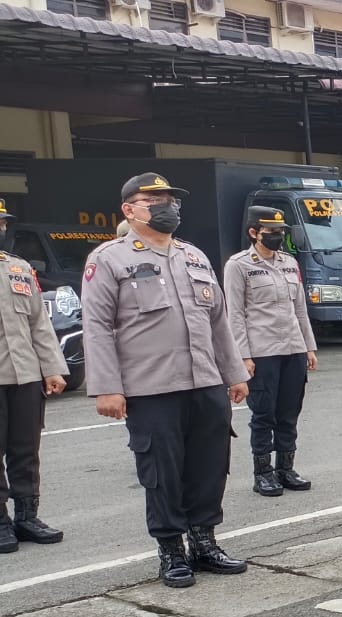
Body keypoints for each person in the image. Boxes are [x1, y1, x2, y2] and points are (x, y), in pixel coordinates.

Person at [82, 172, 250, 587]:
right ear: (129, 209)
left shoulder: (193, 256)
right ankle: (172, 551)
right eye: (154, 199)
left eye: (171, 199)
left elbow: (218, 322)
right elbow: (98, 326)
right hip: (151, 388)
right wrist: (107, 386)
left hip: (205, 382)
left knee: (210, 467)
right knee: (163, 472)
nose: (167, 206)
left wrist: (232, 372)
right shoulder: (108, 259)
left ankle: (205, 542)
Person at [224, 206, 317, 498]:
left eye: (280, 232)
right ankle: (262, 472)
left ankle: (285, 469)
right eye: (271, 232)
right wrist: (243, 356)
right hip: (261, 351)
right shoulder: (238, 265)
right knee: (264, 415)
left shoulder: (289, 263)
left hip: (293, 348)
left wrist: (309, 347)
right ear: (254, 233)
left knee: (290, 412)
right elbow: (235, 314)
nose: (277, 236)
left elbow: (299, 308)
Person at [0, 202, 70, 552]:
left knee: (25, 449)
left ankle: (27, 516)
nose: (0, 228)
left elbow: (39, 324)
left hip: (24, 375)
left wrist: (52, 367)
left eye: (1, 223)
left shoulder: (19, 269)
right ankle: (0, 521)